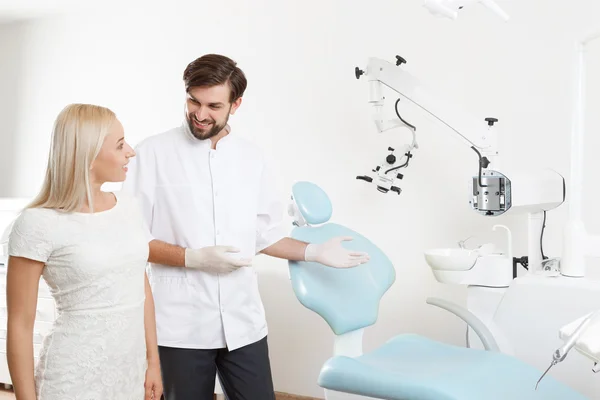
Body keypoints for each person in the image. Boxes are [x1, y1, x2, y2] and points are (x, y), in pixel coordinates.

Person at [121, 53, 370, 400]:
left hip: (243, 321)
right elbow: (128, 242)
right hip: (178, 326)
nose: (200, 113)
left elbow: (264, 235)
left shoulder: (253, 158)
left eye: (214, 105)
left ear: (235, 105)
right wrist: (192, 258)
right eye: (193, 100)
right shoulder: (151, 154)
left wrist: (313, 252)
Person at [5, 104, 164, 399]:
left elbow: (140, 286)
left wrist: (153, 363)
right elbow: (20, 324)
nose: (131, 151)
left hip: (127, 373)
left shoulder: (127, 207)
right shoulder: (38, 223)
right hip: (71, 378)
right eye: (119, 145)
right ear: (88, 156)